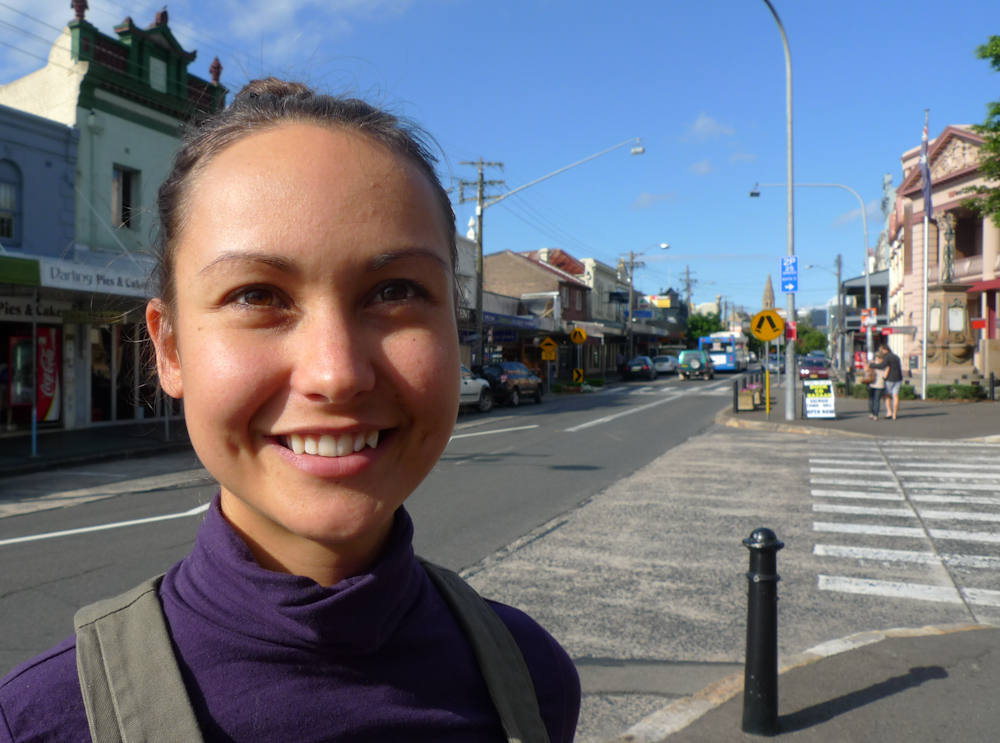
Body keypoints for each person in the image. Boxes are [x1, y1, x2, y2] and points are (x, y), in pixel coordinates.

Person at [0, 79, 580, 742]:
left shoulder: (530, 680)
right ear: (170, 349)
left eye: (395, 291)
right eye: (256, 295)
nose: (336, 373)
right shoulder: (40, 723)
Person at [872, 342, 904, 420]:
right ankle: (894, 414)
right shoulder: (896, 357)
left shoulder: (886, 357)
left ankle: (889, 412)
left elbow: (881, 366)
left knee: (887, 395)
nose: (881, 352)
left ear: (884, 349)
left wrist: (872, 365)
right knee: (895, 396)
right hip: (898, 378)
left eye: (881, 350)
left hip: (889, 378)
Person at [864, 349, 886, 420]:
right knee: (877, 400)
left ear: (876, 357)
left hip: (871, 382)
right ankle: (876, 415)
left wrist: (866, 363)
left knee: (871, 399)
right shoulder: (884, 365)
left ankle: (871, 414)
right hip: (880, 384)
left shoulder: (872, 364)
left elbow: (866, 370)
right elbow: (885, 375)